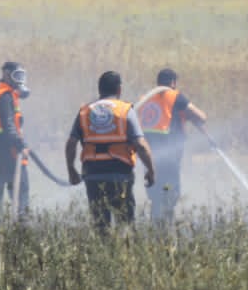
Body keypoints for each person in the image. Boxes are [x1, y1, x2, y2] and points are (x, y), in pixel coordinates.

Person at [65, 70, 156, 233]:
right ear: (119, 89)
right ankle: (124, 256)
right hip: (120, 175)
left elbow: (71, 144)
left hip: (92, 175)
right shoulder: (125, 110)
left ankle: (102, 255)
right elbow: (140, 145)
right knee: (125, 223)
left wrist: (71, 170)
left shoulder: (85, 112)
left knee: (100, 224)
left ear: (100, 90)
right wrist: (150, 170)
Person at [137, 68, 207, 224]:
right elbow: (201, 117)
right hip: (168, 157)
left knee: (156, 193)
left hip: (148, 155)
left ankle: (157, 225)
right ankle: (165, 226)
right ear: (173, 83)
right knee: (168, 190)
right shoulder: (174, 96)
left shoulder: (146, 99)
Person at [0, 61, 30, 224]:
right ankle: (21, 238)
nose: (19, 80)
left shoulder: (0, 94)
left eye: (21, 76)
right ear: (6, 75)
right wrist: (21, 145)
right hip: (9, 156)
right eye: (16, 76)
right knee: (21, 203)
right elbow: (9, 125)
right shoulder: (5, 96)